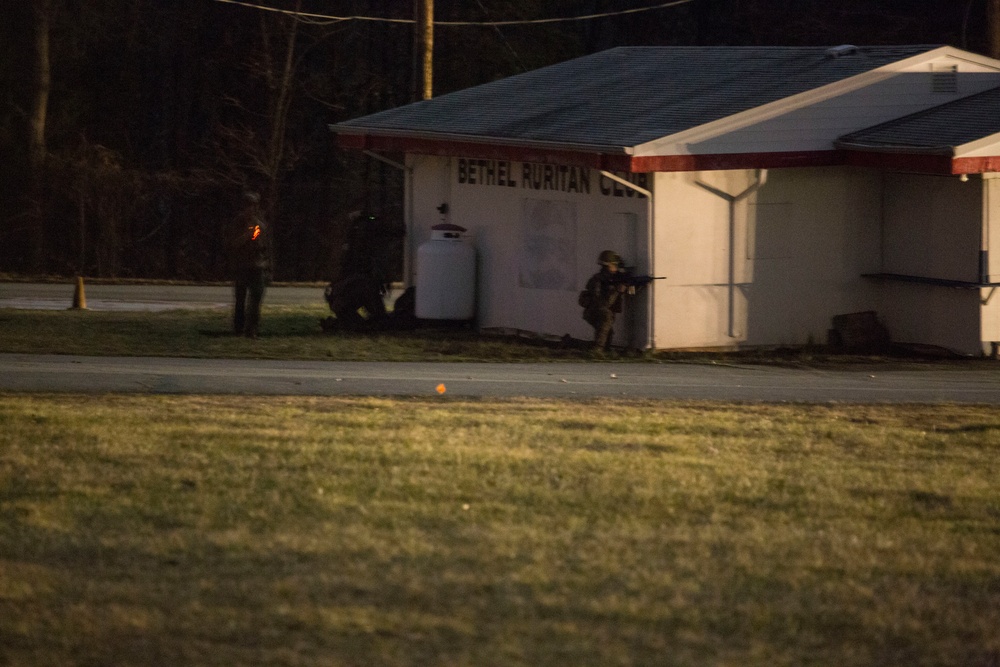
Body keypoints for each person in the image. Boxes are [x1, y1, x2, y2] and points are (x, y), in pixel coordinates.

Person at [232, 191, 270, 338]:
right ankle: (238, 328)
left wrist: (267, 263)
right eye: (248, 206)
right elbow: (233, 244)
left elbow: (265, 245)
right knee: (240, 299)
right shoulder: (237, 223)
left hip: (257, 266)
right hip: (242, 266)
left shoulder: (259, 225)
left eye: (254, 206)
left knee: (256, 299)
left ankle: (252, 329)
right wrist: (246, 236)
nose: (251, 209)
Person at [580, 250, 628, 351]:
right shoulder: (598, 280)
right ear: (608, 265)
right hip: (594, 311)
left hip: (599, 310)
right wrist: (617, 290)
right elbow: (604, 303)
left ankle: (604, 350)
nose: (616, 268)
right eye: (614, 265)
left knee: (608, 331)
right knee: (606, 319)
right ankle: (597, 350)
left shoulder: (612, 278)